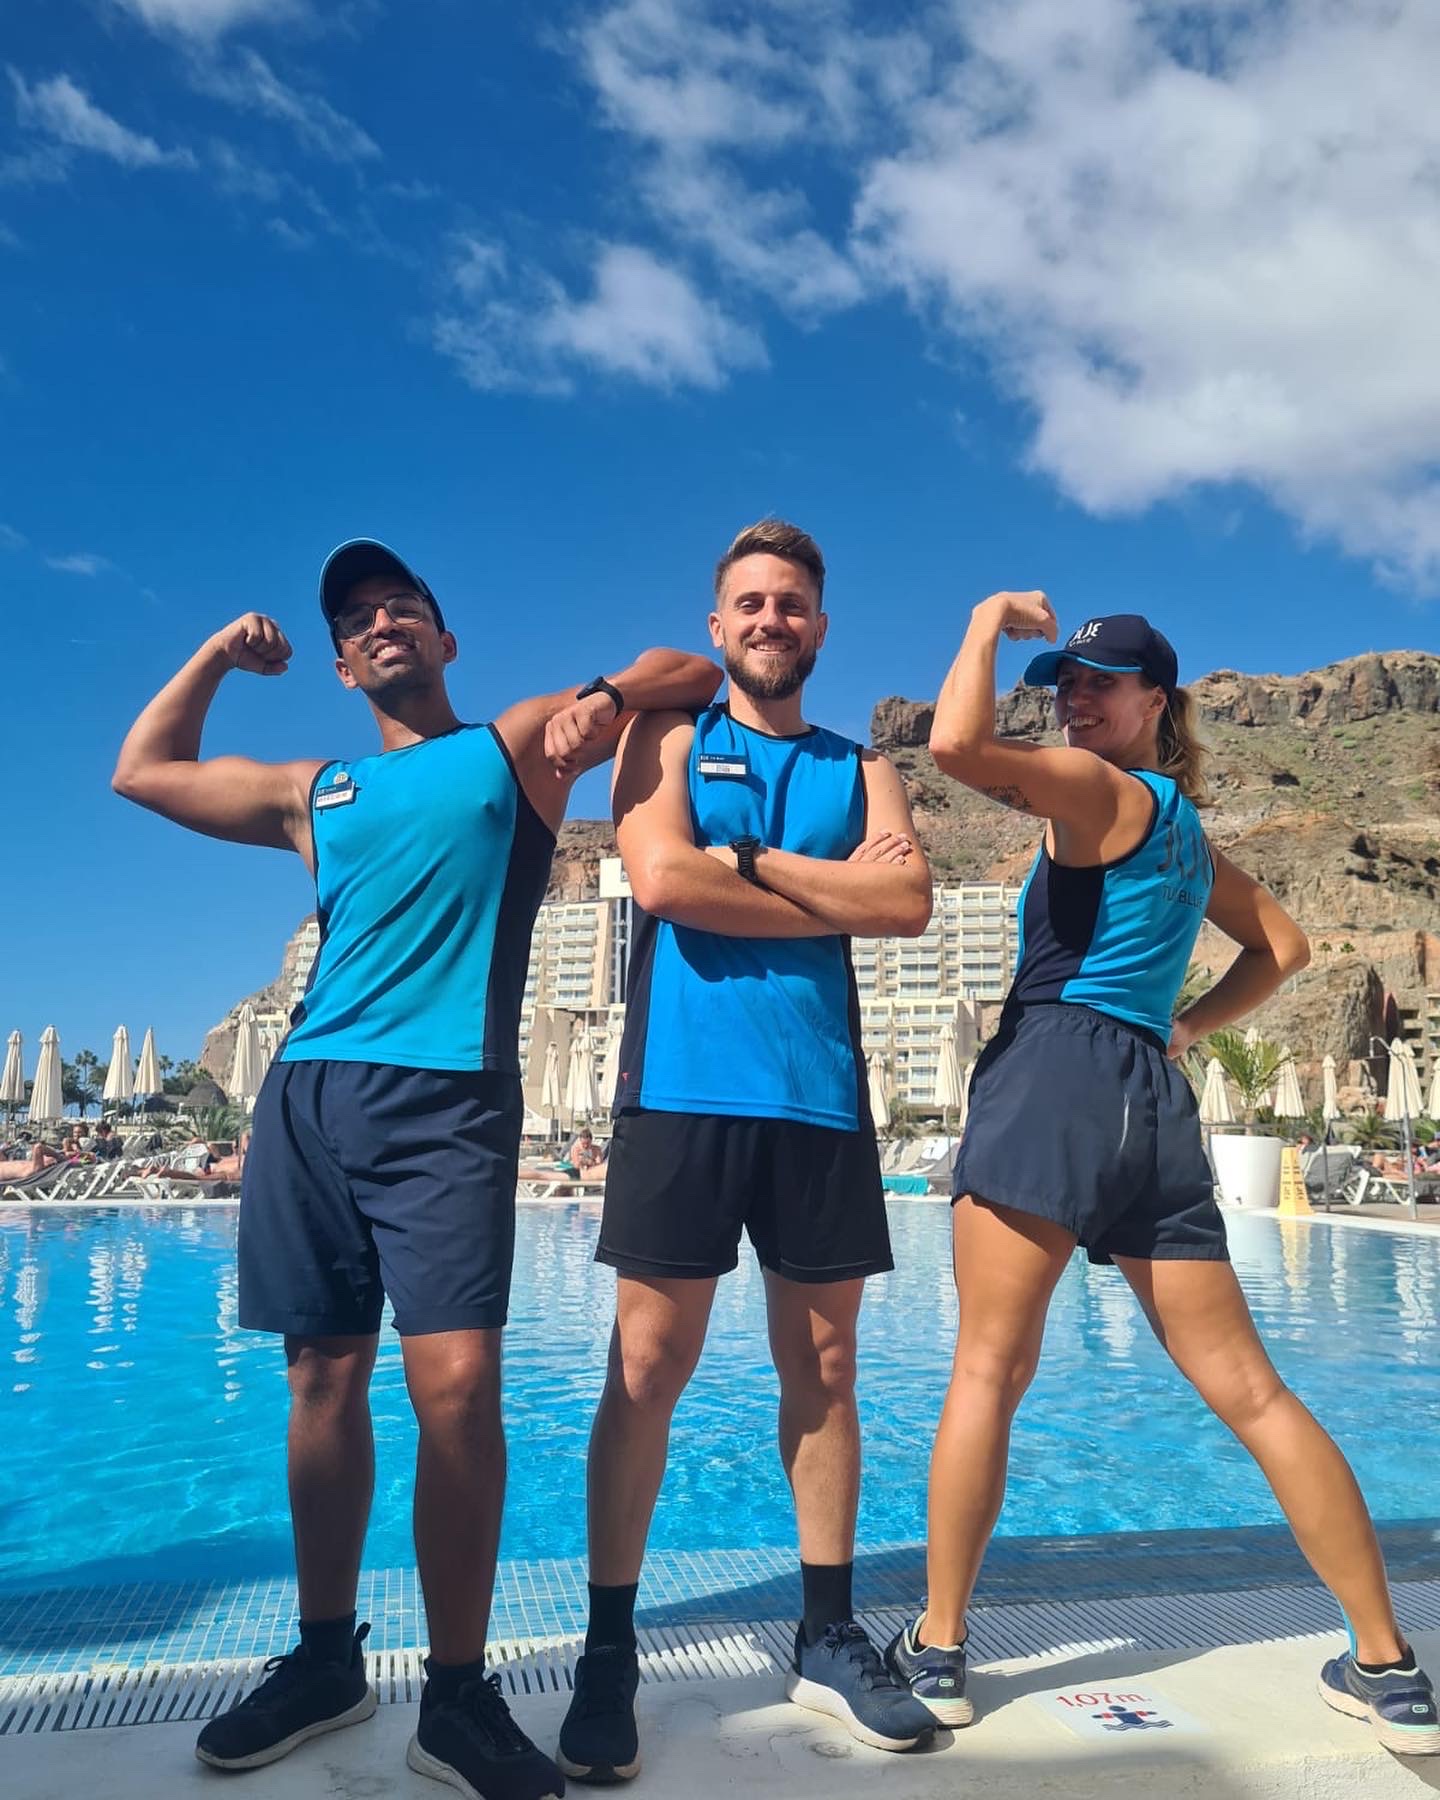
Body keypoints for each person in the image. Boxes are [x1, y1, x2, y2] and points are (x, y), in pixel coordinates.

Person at [113, 537, 719, 1798]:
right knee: (320, 1382)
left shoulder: (513, 749)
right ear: (340, 664)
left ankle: (454, 1697)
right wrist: (222, 653)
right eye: (357, 618)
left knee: (457, 1391)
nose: (380, 620)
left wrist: (597, 702)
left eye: (404, 606)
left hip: (447, 1102)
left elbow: (692, 670)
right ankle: (327, 1661)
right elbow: (142, 771)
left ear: (445, 641)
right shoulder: (312, 790)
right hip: (309, 1100)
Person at [881, 598, 1439, 1758]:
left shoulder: (1100, 793)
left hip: (1055, 1070)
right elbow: (1281, 947)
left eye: (1103, 683)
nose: (1077, 700)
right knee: (1253, 1392)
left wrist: (985, 622)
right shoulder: (1187, 832)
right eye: (1065, 682)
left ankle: (937, 1653)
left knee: (987, 1366)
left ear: (1157, 704)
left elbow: (950, 749)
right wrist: (1185, 1032)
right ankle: (1388, 1666)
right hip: (1149, 1091)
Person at [555, 519, 936, 1783]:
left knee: (824, 1370)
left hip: (821, 1098)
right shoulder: (669, 740)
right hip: (682, 1092)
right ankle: (611, 1649)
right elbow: (660, 883)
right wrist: (825, 888)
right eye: (749, 605)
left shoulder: (862, 766)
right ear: (719, 627)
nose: (771, 620)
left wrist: (756, 859)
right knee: (648, 1367)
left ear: (821, 627)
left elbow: (908, 905)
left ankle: (827, 1633)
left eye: (792, 604)